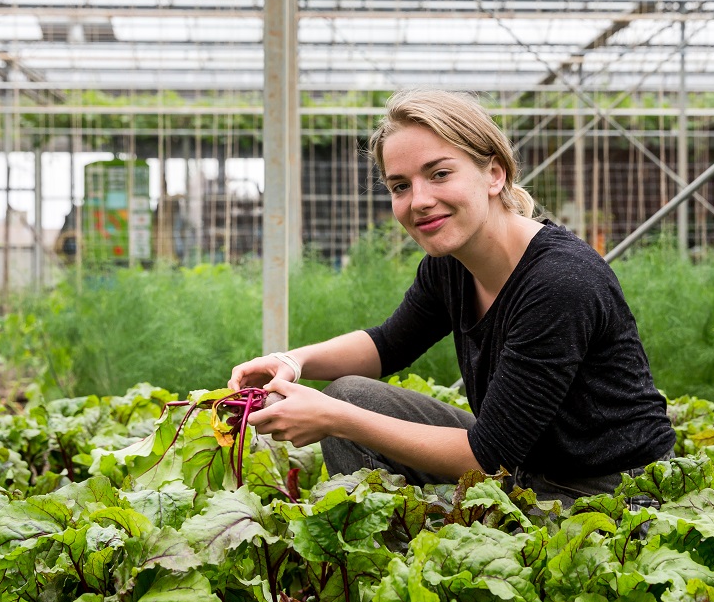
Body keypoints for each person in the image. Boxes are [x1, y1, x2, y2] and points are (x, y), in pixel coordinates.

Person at [230, 89, 676, 504]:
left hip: (607, 489)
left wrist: (333, 418)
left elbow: (486, 457)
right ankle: (384, 569)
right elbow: (387, 345)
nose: (418, 200)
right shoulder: (451, 266)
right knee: (350, 396)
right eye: (400, 186)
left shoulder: (560, 281)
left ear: (494, 174)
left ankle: (404, 565)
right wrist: (292, 361)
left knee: (345, 412)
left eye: (439, 174)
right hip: (522, 466)